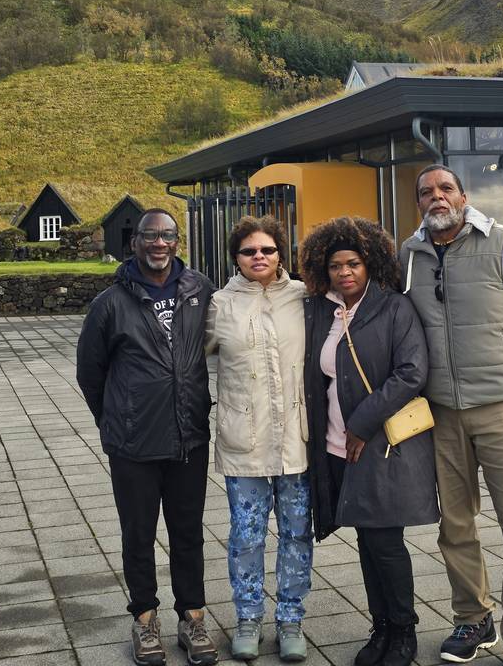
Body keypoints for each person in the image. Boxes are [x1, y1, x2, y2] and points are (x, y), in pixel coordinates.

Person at [400, 165, 503, 666]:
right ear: (419, 203)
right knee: (456, 526)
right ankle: (473, 618)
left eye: (445, 188)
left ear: (463, 196)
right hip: (442, 411)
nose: (436, 197)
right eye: (426, 192)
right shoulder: (409, 255)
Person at [77, 208, 219, 666]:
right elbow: (90, 374)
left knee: (188, 533)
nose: (159, 244)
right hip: (133, 445)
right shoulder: (110, 303)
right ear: (134, 242)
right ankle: (144, 619)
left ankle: (192, 616)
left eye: (168, 236)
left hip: (188, 438)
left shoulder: (199, 291)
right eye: (150, 236)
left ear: (178, 242)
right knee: (138, 534)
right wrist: (118, 419)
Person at [300, 216, 439, 666]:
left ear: (370, 263)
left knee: (385, 541)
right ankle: (380, 628)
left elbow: (411, 372)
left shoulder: (393, 307)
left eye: (354, 263)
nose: (345, 272)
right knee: (365, 539)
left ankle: (403, 632)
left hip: (380, 443)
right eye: (337, 265)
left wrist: (361, 423)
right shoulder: (326, 311)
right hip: (338, 446)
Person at [206, 215, 312, 663]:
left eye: (267, 249)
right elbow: (186, 359)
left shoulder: (304, 297)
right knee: (246, 536)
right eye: (249, 251)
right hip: (243, 441)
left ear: (281, 253)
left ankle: (291, 619)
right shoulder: (219, 303)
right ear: (236, 257)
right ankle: (248, 616)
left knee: (296, 534)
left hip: (296, 442)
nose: (259, 257)